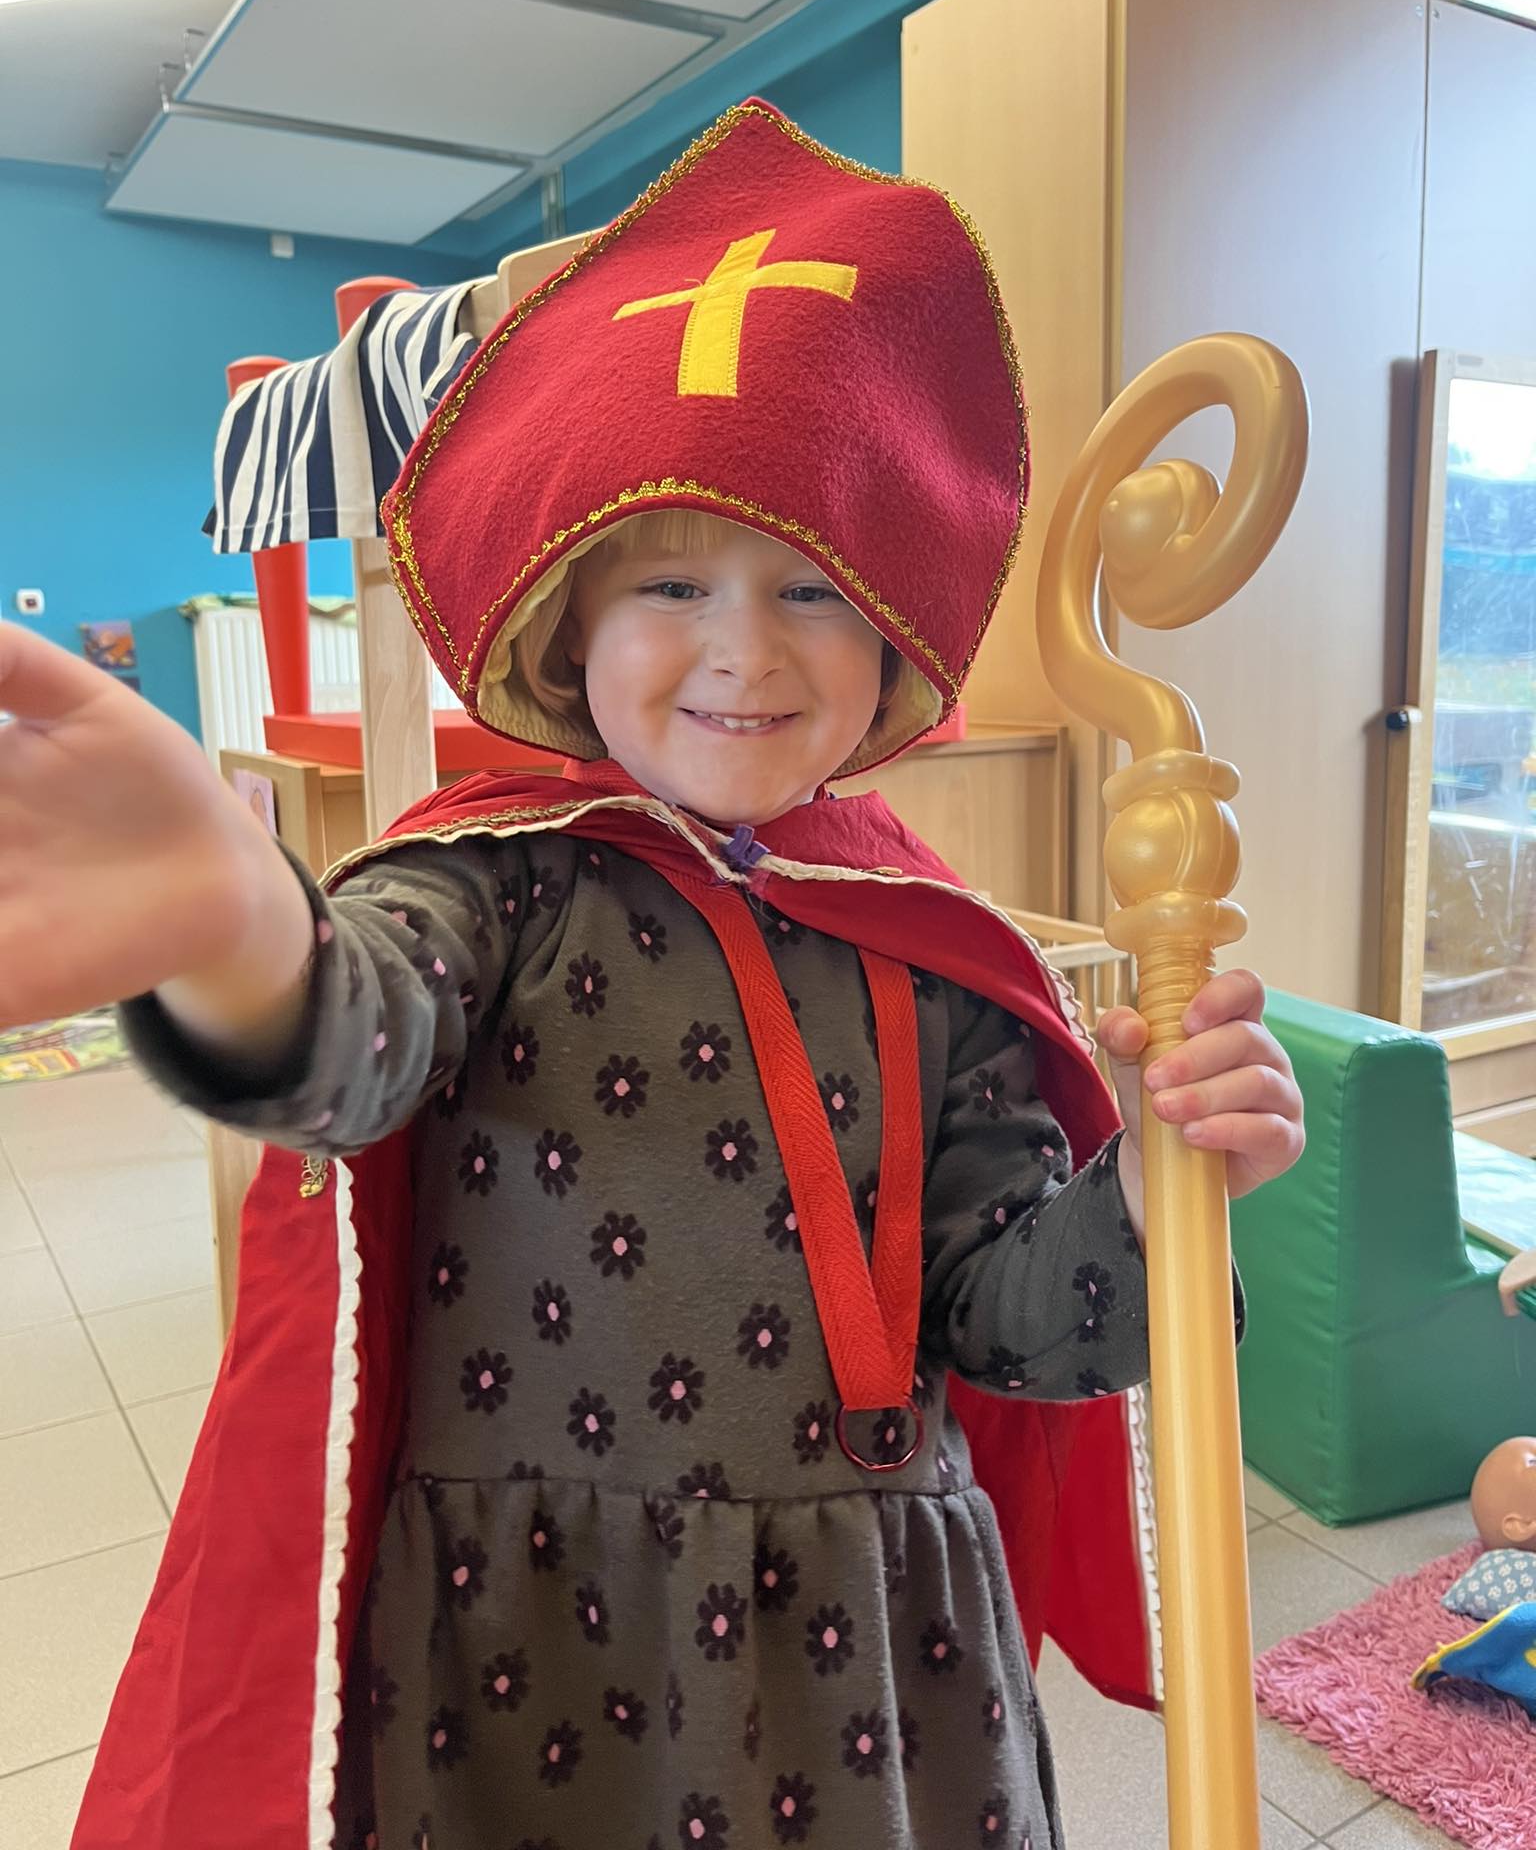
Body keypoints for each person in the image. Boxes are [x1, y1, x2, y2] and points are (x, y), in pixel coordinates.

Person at [7, 98, 1303, 1850]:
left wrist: (1153, 1189)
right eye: (674, 583)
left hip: (872, 1658)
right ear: (570, 629)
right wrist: (236, 931)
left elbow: (1008, 1322)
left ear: (892, 629)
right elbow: (354, 1045)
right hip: (539, 1643)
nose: (743, 651)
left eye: (811, 589)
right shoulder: (497, 887)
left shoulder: (936, 952)